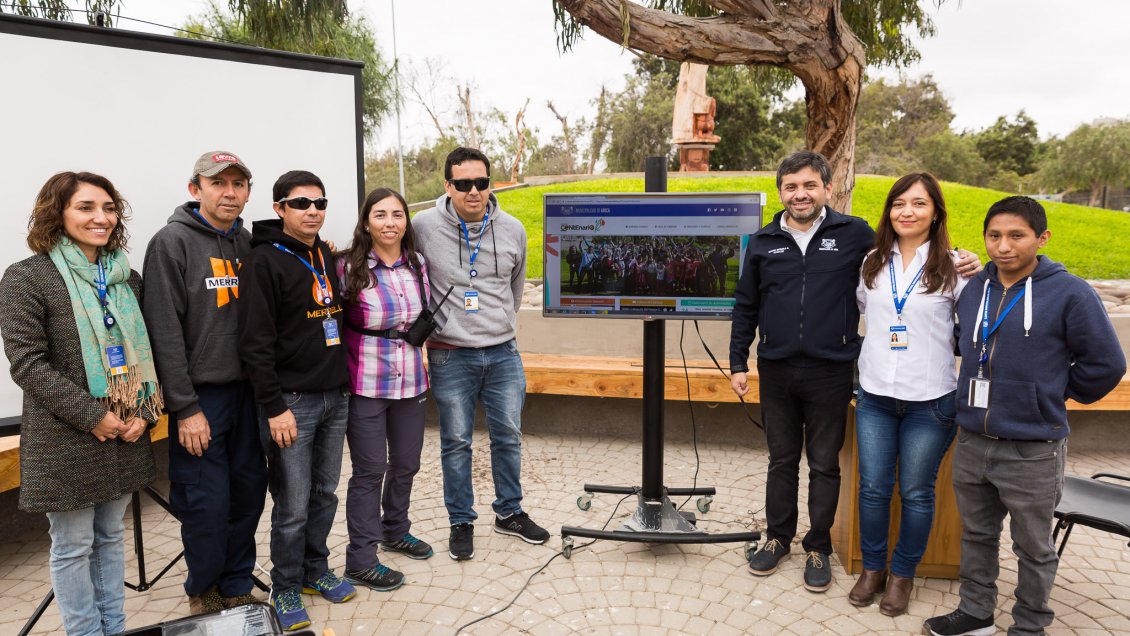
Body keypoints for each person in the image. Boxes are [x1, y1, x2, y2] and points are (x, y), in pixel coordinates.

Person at [729, 152, 981, 593]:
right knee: (781, 460)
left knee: (826, 463)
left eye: (809, 185)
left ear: (828, 188)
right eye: (791, 186)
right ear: (781, 192)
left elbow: (911, 271)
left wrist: (969, 261)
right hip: (777, 368)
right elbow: (746, 305)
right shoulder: (763, 241)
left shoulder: (856, 235)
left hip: (833, 371)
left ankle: (818, 545)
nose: (800, 194)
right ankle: (777, 537)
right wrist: (738, 362)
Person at [925, 197, 1125, 636]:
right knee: (977, 536)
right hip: (974, 439)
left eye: (1017, 236)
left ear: (1042, 238)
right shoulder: (976, 288)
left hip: (1033, 448)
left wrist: (1052, 394)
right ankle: (976, 614)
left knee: (1033, 547)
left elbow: (1107, 363)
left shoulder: (1070, 292)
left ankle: (1030, 626)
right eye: (994, 236)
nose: (1003, 246)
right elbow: (966, 342)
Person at [0, 172, 162, 635]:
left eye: (109, 208)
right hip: (65, 437)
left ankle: (113, 627)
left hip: (125, 433)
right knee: (72, 546)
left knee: (110, 538)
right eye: (86, 207)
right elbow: (28, 364)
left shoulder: (126, 278)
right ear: (58, 214)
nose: (102, 217)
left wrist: (144, 414)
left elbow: (146, 354)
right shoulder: (27, 277)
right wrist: (95, 416)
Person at [143, 151, 267, 614]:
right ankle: (204, 591)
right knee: (206, 503)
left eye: (238, 184)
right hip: (201, 400)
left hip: (247, 395)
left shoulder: (249, 242)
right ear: (196, 189)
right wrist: (186, 407)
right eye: (218, 183)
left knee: (248, 494)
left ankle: (237, 583)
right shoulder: (171, 243)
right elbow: (163, 332)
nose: (229, 192)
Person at [413, 146, 549, 561]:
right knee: (456, 443)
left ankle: (509, 512)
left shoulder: (513, 229)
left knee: (508, 437)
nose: (475, 191)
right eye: (464, 184)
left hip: (503, 353)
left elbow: (514, 288)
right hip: (450, 355)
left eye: (482, 183)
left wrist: (499, 327)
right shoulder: (422, 226)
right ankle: (460, 520)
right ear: (448, 186)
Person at [238, 170, 354, 631]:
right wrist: (274, 406)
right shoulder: (263, 260)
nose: (313, 211)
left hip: (334, 396)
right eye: (301, 203)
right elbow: (254, 344)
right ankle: (285, 586)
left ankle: (315, 570)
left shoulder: (324, 254)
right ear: (279, 208)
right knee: (293, 502)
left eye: (320, 203)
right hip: (293, 403)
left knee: (325, 493)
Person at [849, 173, 967, 616]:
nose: (907, 212)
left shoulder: (956, 267)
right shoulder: (873, 262)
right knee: (874, 489)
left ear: (935, 212)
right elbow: (868, 313)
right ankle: (872, 569)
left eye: (918, 204)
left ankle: (902, 576)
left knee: (917, 492)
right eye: (899, 203)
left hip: (932, 399)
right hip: (876, 394)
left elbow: (969, 327)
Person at [336, 188, 433, 593]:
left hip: (411, 378)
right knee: (369, 470)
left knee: (407, 463)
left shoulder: (417, 263)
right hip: (366, 381)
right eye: (380, 214)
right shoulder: (345, 266)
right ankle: (361, 558)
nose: (390, 222)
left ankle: (396, 529)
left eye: (397, 214)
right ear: (366, 222)